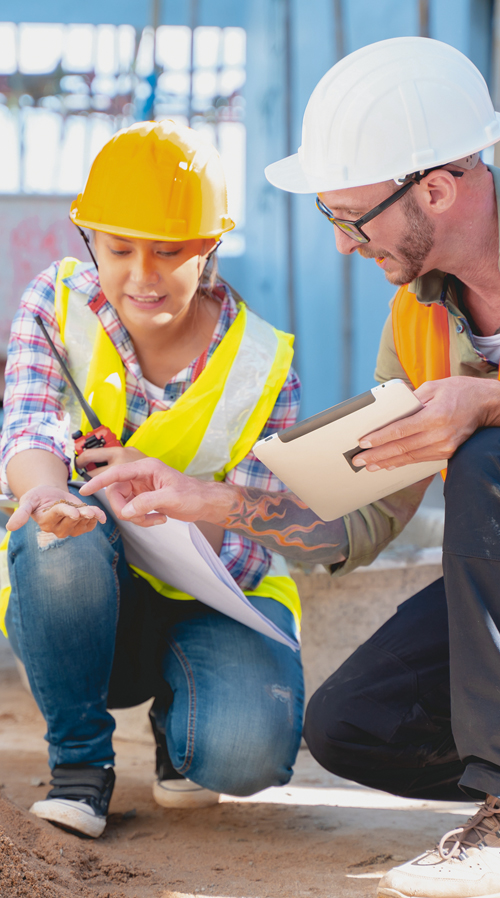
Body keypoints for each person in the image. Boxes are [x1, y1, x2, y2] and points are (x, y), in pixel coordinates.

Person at [80, 37, 500, 898]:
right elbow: (358, 504)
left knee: (489, 456)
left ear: (437, 189)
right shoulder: (417, 321)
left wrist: (486, 403)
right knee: (353, 726)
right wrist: (211, 501)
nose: (343, 244)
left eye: (352, 217)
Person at [1, 119, 304, 839]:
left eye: (170, 251)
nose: (142, 274)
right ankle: (80, 761)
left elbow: (263, 523)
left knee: (244, 755)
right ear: (89, 242)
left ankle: (183, 725)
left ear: (210, 247)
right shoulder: (55, 304)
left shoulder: (263, 365)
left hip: (211, 593)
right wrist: (45, 493)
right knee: (57, 538)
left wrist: (173, 503)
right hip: (87, 586)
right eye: (119, 249)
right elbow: (30, 422)